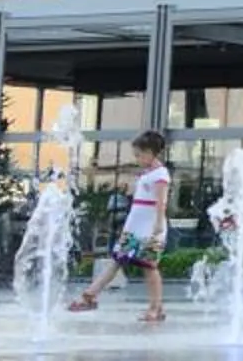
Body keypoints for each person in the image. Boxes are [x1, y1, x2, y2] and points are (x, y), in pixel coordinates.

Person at [67, 130, 173, 323]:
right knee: (117, 260)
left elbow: (161, 202)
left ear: (150, 153)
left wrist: (158, 224)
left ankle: (155, 308)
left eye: (139, 155)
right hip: (135, 225)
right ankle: (89, 296)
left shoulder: (160, 175)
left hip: (150, 227)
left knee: (149, 266)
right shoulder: (148, 173)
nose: (137, 159)